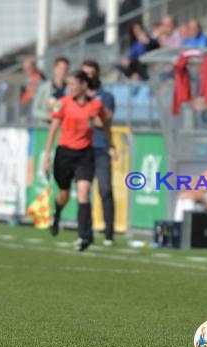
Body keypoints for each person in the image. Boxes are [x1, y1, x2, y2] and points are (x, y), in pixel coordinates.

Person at [43, 70, 107, 251]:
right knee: (64, 193)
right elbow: (53, 128)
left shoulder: (95, 105)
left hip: (84, 154)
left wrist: (110, 144)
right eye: (69, 85)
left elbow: (105, 120)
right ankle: (57, 214)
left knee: (83, 191)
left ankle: (83, 236)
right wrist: (47, 157)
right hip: (64, 153)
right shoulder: (62, 104)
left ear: (84, 85)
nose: (70, 88)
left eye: (73, 85)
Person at [81, 59, 117, 246]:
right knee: (84, 191)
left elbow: (105, 121)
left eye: (90, 74)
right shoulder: (76, 97)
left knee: (104, 189)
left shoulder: (106, 96)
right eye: (84, 74)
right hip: (82, 148)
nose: (87, 77)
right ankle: (86, 232)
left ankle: (109, 232)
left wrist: (85, 115)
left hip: (101, 147)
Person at [32, 56, 70, 123]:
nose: (63, 71)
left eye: (65, 69)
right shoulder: (44, 88)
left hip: (64, 127)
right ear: (55, 68)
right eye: (61, 68)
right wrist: (47, 116)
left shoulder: (70, 89)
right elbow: (35, 110)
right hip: (46, 128)